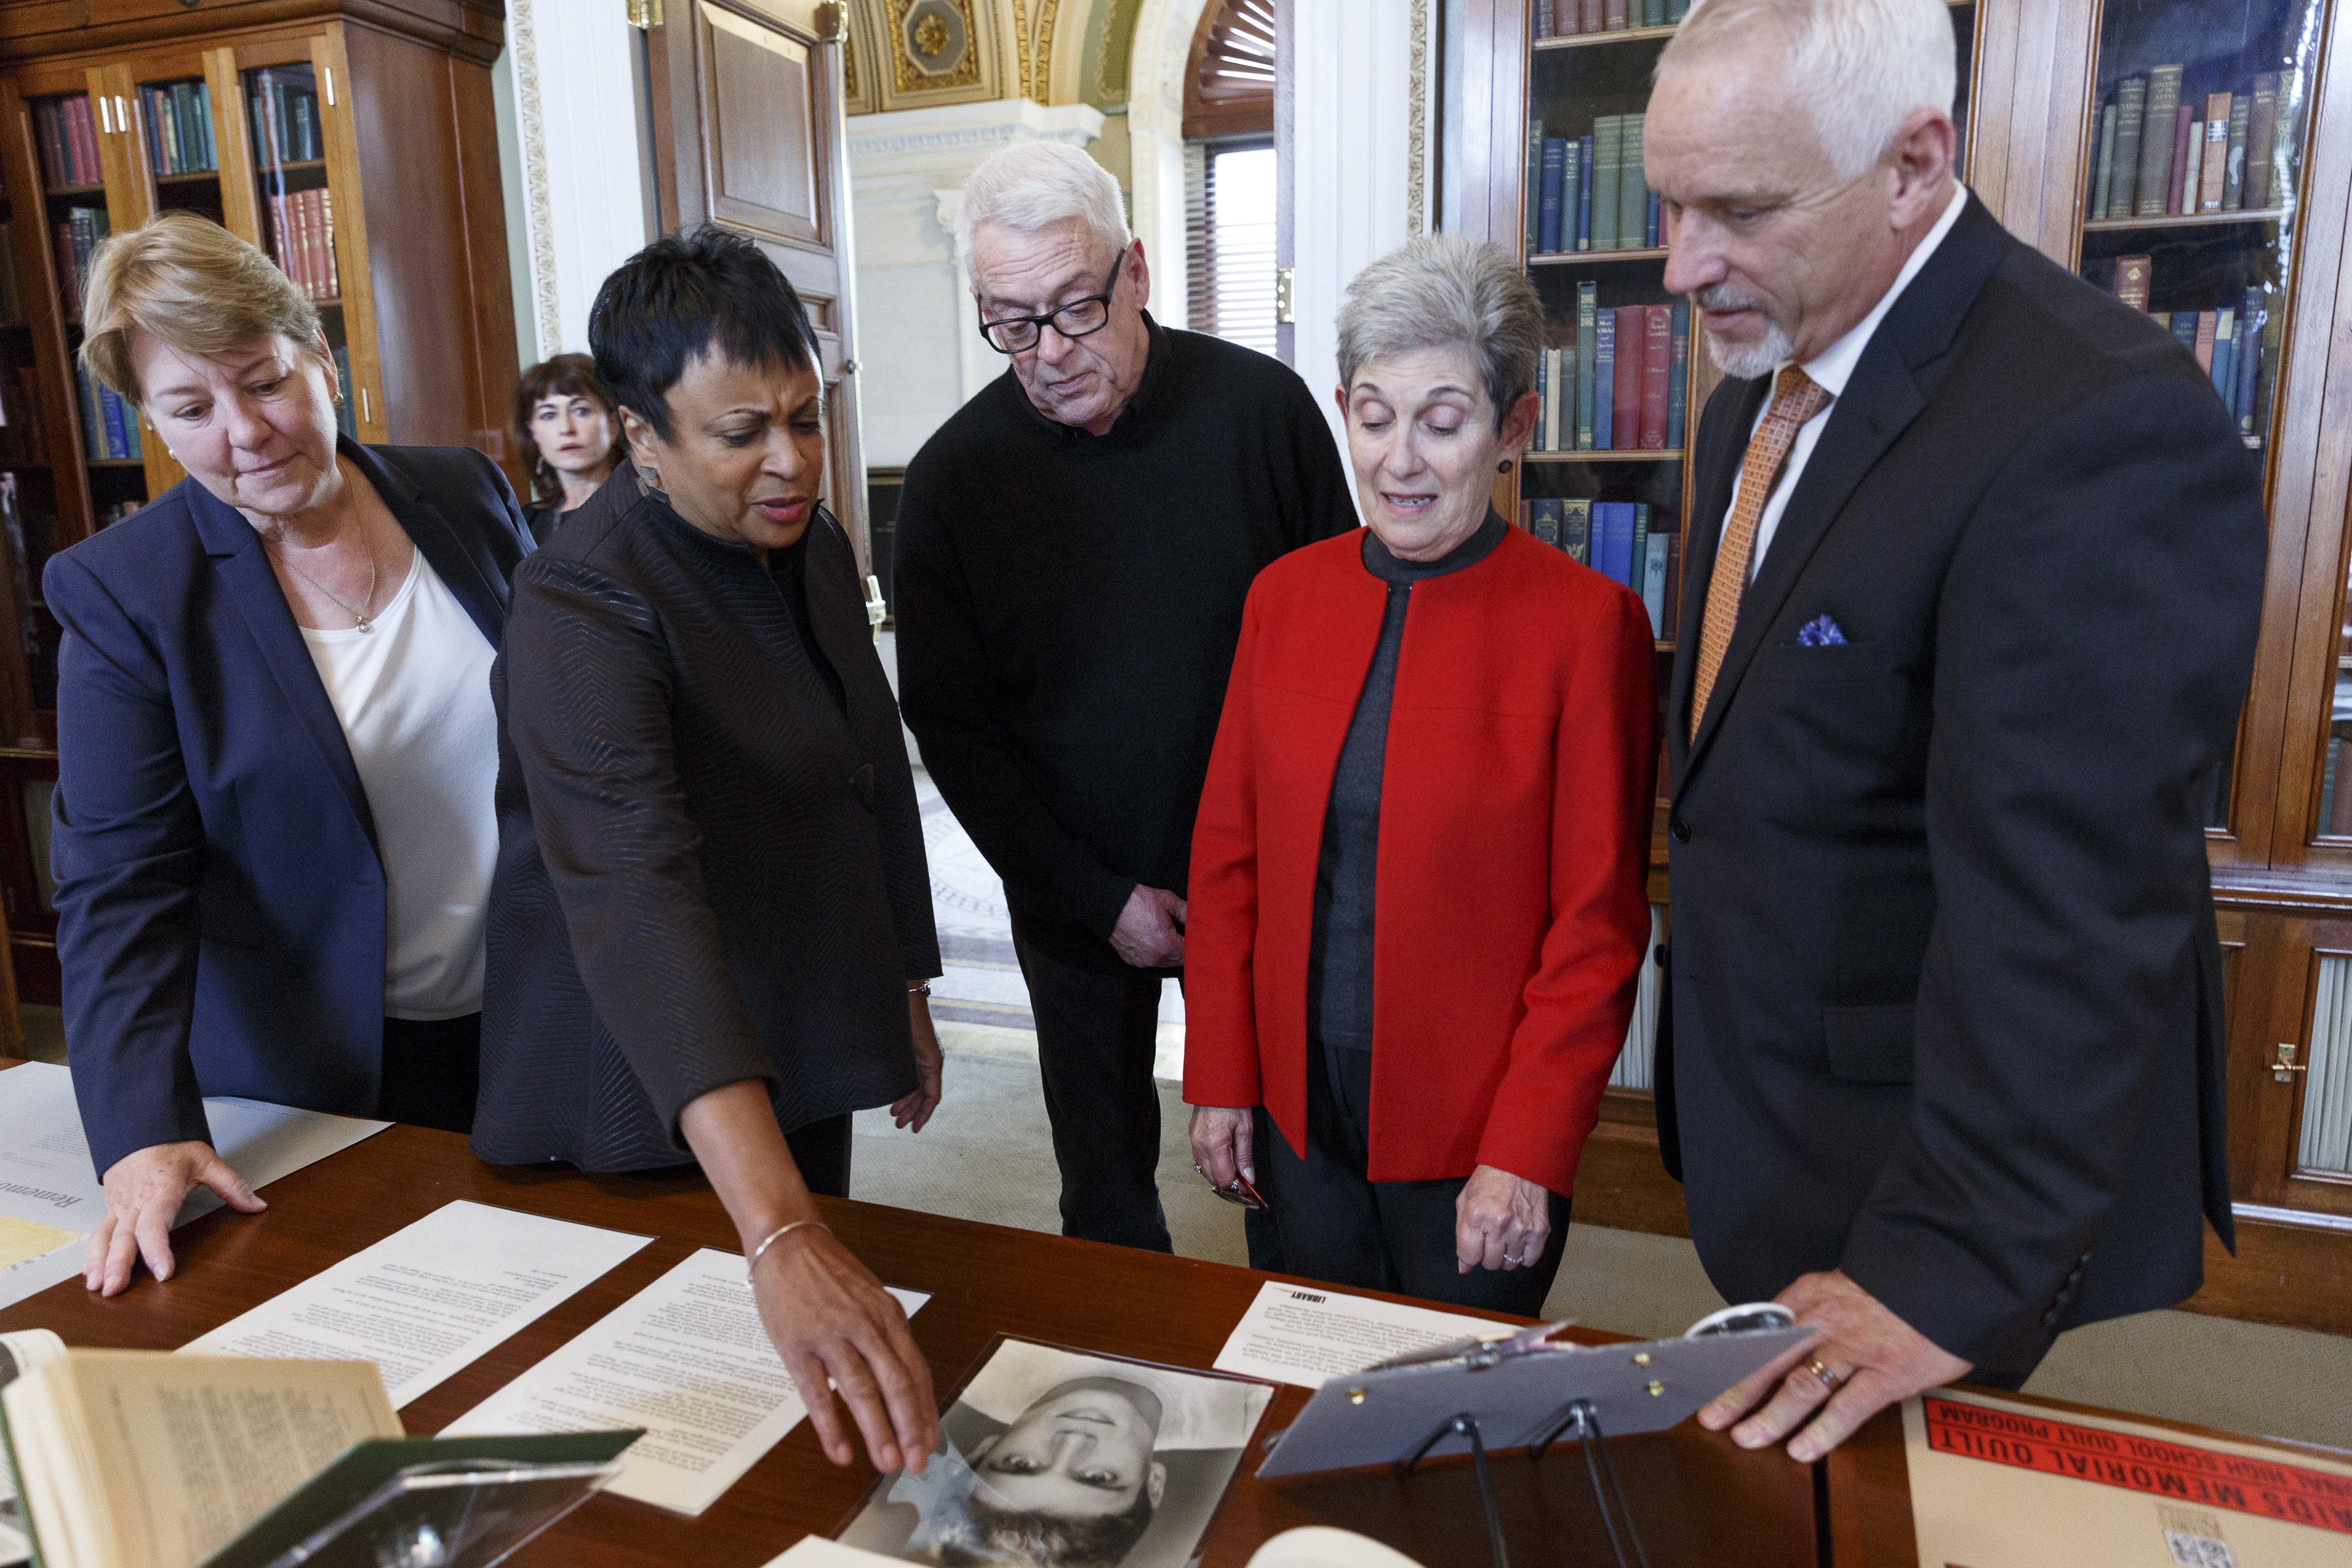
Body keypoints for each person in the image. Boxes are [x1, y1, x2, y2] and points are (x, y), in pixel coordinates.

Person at [1644, 0, 2266, 1461]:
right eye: (1671, 205)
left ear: (1915, 163)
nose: (1681, 267)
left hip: (1921, 1190)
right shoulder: (1758, 402)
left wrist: (1944, 1269)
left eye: (1736, 209)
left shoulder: (2095, 422)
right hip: (1775, 1129)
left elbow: (2069, 910)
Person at [476, 226, 945, 1477]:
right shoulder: (581, 599)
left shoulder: (816, 541)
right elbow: (634, 891)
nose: (789, 462)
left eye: (804, 416)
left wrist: (902, 982)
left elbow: (866, 764)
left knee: (819, 1419)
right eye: (741, 434)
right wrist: (778, 1229)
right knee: (687, 1450)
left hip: (795, 1022)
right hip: (650, 1083)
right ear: (641, 435)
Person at [47, 212, 532, 1296]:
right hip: (323, 1072)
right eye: (192, 408)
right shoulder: (127, 594)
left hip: (538, 1022)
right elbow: (118, 887)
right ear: (153, 428)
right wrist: (141, 1133)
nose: (245, 430)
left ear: (320, 356)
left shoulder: (463, 493)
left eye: (263, 381)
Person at [894, 141, 1354, 1257]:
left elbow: (1339, 652)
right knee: (1104, 1200)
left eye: (1074, 308)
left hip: (1265, 884)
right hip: (1074, 900)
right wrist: (1098, 897)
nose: (1048, 354)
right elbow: (954, 731)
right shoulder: (953, 480)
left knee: (1291, 1173)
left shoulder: (1262, 412)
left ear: (1137, 270)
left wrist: (1269, 871)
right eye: (1010, 321)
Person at [1183, 235, 1657, 1314]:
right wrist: (1219, 1074)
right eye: (1374, 415)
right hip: (1294, 1110)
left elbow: (1595, 928)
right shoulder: (1283, 601)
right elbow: (1226, 868)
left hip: (1474, 1138)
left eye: (1443, 423)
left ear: (1512, 429)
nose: (1401, 459)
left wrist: (1529, 1151)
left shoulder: (1587, 626)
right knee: (1299, 1387)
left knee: (1448, 1419)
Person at [514, 351, 625, 544]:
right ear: (534, 434)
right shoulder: (525, 524)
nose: (566, 428)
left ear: (613, 424)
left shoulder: (646, 508)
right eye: (548, 415)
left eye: (581, 410)